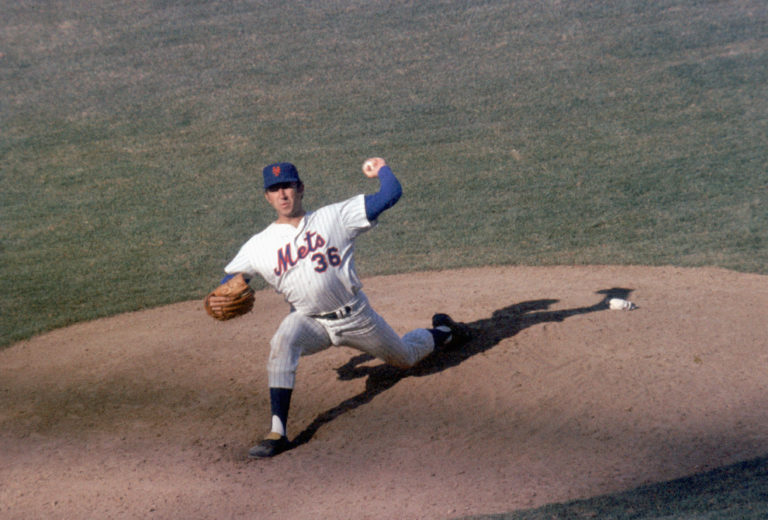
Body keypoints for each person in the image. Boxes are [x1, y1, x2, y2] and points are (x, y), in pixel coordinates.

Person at [207, 158, 470, 458]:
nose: (282, 194)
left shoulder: (335, 217)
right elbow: (231, 279)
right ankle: (277, 432)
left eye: (287, 187)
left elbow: (390, 195)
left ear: (300, 188)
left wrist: (381, 169)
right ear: (266, 196)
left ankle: (445, 331)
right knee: (283, 339)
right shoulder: (258, 245)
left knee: (406, 359)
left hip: (356, 317)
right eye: (274, 189)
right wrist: (220, 292)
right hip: (310, 322)